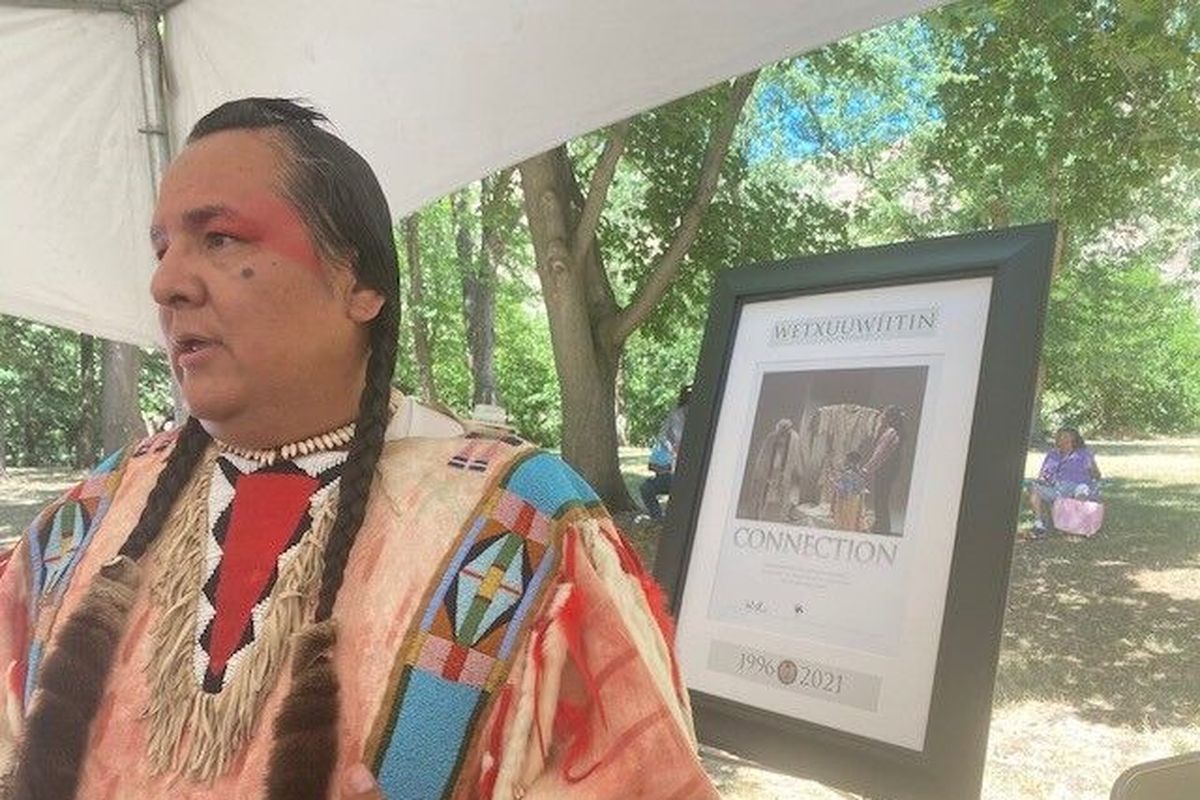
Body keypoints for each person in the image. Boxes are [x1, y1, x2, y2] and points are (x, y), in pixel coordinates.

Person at [0, 99, 715, 800]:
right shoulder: (93, 518)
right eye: (163, 248)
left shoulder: (524, 527)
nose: (166, 283)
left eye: (219, 238)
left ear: (359, 284)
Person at [1025, 426, 1101, 538]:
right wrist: (1043, 481)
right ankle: (1039, 525)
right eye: (1058, 436)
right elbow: (1044, 475)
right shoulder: (1052, 455)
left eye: (1063, 436)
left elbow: (1097, 476)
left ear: (1072, 439)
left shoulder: (1083, 454)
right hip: (1057, 488)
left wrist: (1092, 467)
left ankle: (1079, 527)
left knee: (1081, 491)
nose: (1059, 439)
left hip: (1079, 486)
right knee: (1033, 487)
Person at [639, 385, 690, 520]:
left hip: (681, 474)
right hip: (675, 471)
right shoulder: (679, 416)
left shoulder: (678, 415)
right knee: (647, 488)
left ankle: (660, 518)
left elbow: (676, 443)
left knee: (647, 488)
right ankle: (659, 518)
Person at [861, 405, 904, 535]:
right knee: (881, 498)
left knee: (880, 499)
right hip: (888, 470)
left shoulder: (890, 432)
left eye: (884, 415)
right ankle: (882, 526)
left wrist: (866, 469)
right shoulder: (894, 431)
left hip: (885, 470)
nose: (882, 417)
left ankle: (881, 528)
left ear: (890, 417)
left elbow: (880, 454)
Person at [830, 451, 867, 532]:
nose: (844, 462)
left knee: (845, 523)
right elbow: (860, 489)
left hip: (846, 502)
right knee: (852, 521)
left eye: (846, 460)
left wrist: (833, 482)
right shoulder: (860, 474)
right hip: (855, 501)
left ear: (850, 462)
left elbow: (843, 490)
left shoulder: (848, 474)